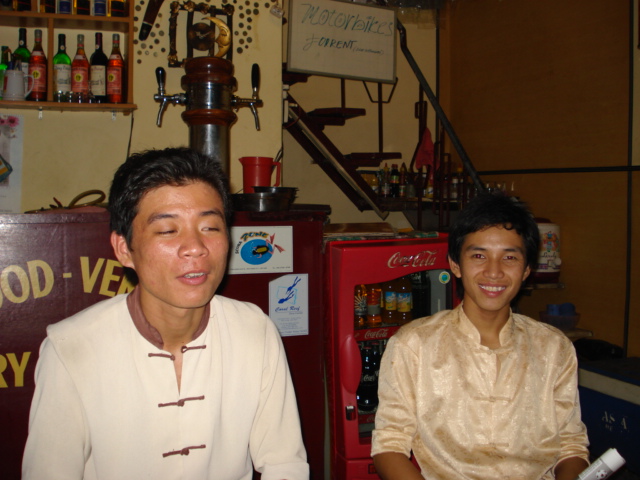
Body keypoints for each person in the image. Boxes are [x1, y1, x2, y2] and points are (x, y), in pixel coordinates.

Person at [22, 147, 309, 480]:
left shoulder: (254, 330)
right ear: (124, 249)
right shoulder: (71, 347)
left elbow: (284, 463)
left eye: (210, 227)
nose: (195, 247)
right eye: (168, 231)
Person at [371, 191, 589, 480]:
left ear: (526, 270)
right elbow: (389, 444)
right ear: (455, 264)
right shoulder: (414, 344)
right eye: (479, 256)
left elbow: (571, 446)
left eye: (509, 257)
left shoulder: (553, 347)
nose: (494, 272)